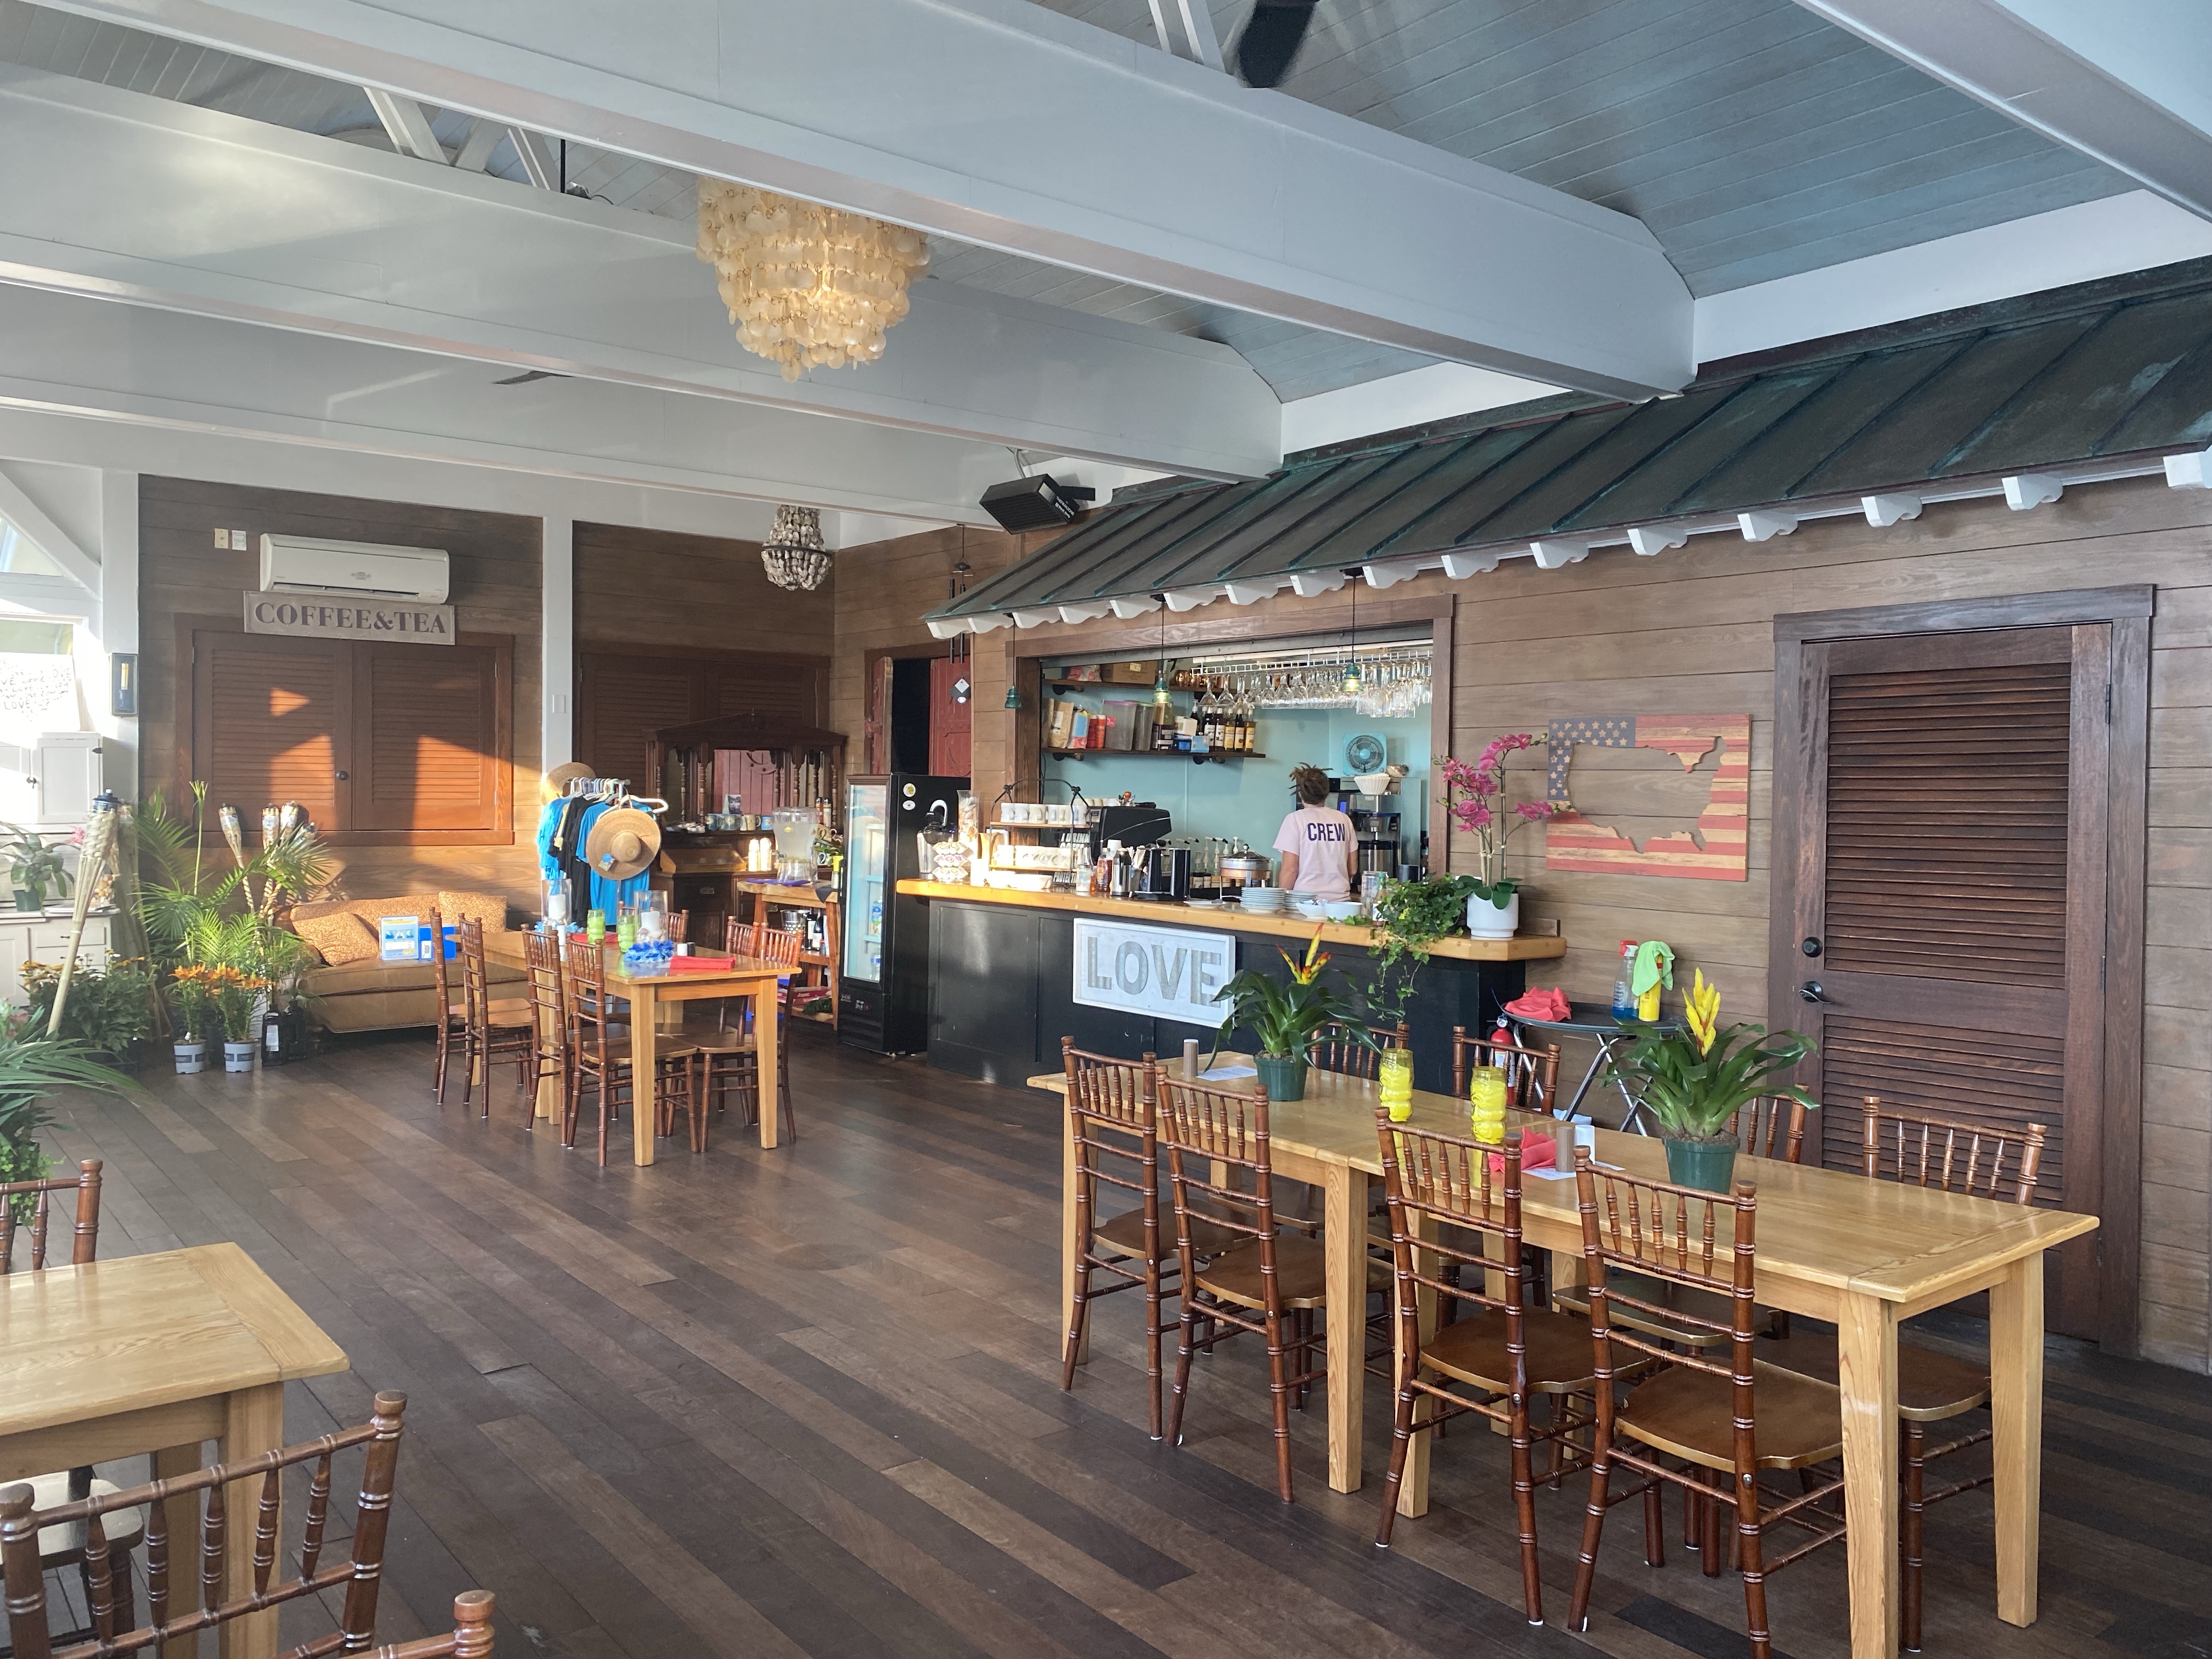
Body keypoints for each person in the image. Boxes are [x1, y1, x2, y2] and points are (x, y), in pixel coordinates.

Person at [1273, 763, 1357, 900]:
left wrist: (1280, 900)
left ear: (1300, 793)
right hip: (1341, 903)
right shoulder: (1344, 820)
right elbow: (1352, 869)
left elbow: (1291, 869)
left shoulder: (1295, 820)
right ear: (1327, 792)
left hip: (1305, 903)